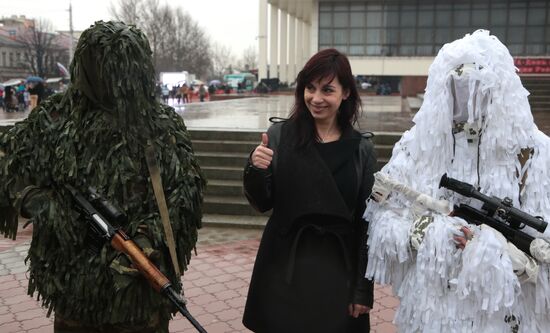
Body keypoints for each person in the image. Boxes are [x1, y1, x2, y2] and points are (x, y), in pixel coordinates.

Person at [0, 21, 205, 333]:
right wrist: (36, 201)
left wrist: (149, 239)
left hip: (139, 296)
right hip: (74, 295)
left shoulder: (161, 123)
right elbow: (7, 162)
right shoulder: (56, 116)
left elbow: (186, 191)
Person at [365, 29, 550, 332]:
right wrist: (423, 233)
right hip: (433, 311)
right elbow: (381, 219)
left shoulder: (533, 153)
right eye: (458, 87)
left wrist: (495, 252)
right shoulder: (417, 146)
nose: (467, 99)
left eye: (478, 87)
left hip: (505, 316)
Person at [242, 48, 377, 333]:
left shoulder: (361, 149)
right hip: (284, 267)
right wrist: (256, 168)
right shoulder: (281, 136)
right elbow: (262, 202)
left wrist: (363, 289)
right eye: (310, 88)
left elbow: (367, 223)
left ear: (345, 94)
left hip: (338, 269)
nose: (316, 99)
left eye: (327, 90)